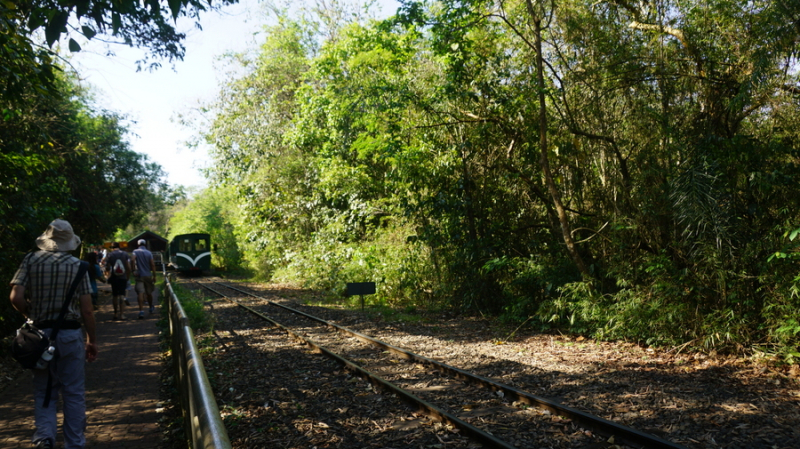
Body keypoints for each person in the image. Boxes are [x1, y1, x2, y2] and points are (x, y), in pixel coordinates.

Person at [9, 219, 98, 449]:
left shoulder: (30, 259)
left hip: (38, 336)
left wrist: (30, 313)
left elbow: (15, 297)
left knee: (43, 389)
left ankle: (45, 438)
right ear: (70, 242)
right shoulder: (79, 267)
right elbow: (87, 310)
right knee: (73, 391)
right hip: (70, 335)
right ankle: (74, 443)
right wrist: (92, 340)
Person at [104, 241, 131, 320]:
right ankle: (122, 314)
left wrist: (107, 275)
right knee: (122, 295)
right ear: (119, 246)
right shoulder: (125, 254)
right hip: (123, 278)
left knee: (115, 295)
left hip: (114, 277)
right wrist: (127, 276)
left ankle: (115, 314)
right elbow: (128, 267)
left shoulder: (110, 255)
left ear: (112, 248)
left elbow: (107, 267)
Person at [131, 239, 157, 319]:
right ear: (145, 244)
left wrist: (133, 270)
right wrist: (154, 275)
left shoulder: (135, 251)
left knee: (140, 293)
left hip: (139, 275)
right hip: (148, 275)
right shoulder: (149, 253)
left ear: (138, 244)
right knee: (149, 293)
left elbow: (132, 260)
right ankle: (151, 307)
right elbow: (152, 264)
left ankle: (141, 311)